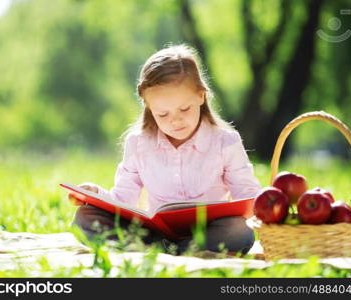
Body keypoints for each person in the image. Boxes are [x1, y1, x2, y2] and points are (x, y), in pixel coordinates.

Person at [70, 44, 261, 255]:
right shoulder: (138, 143)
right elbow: (123, 200)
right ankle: (171, 250)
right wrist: (95, 194)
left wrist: (264, 206)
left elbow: (248, 196)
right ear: (149, 107)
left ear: (201, 96)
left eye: (184, 109)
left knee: (239, 230)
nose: (175, 120)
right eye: (162, 114)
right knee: (85, 217)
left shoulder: (226, 142)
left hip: (209, 232)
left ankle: (157, 251)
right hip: (154, 233)